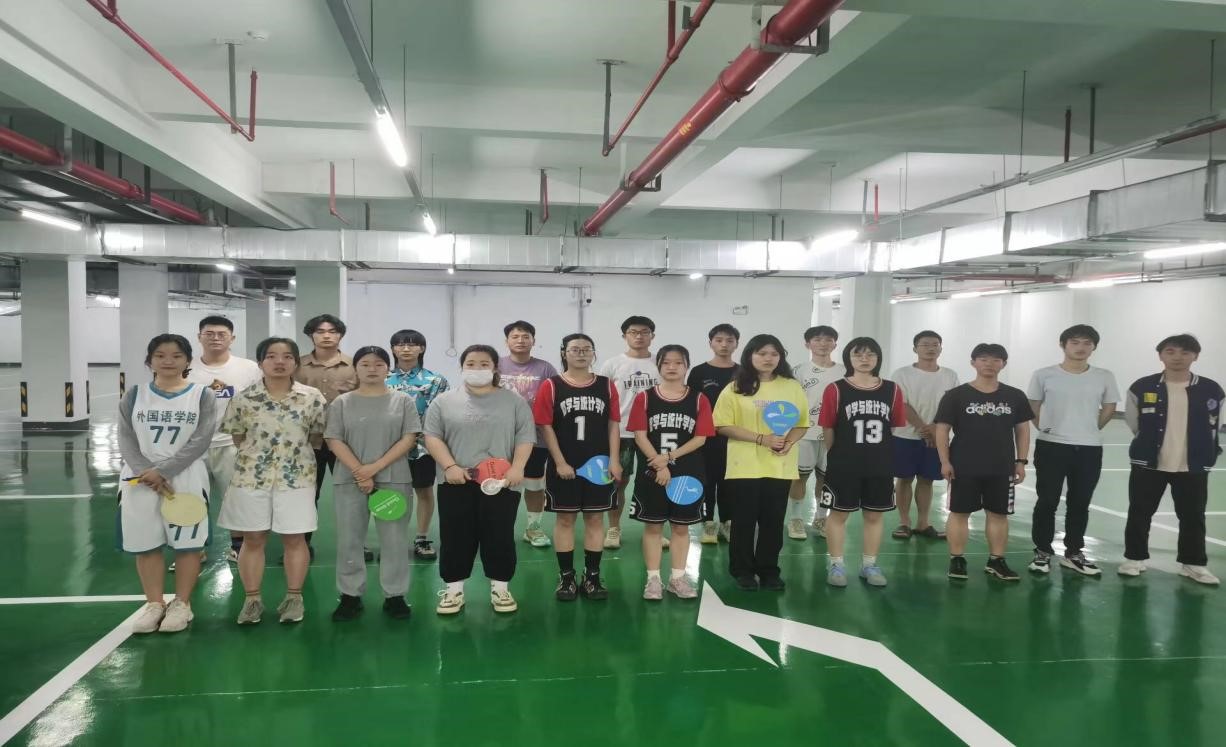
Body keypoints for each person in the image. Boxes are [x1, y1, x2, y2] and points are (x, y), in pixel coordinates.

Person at [220, 337, 328, 624]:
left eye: (287, 356)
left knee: (295, 538)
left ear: (296, 362)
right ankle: (252, 600)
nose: (279, 361)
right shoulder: (243, 398)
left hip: (297, 478)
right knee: (253, 538)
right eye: (271, 356)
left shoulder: (312, 397)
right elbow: (237, 436)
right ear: (260, 362)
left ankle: (294, 599)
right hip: (250, 478)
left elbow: (317, 436)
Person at [424, 345, 536, 615]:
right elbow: (432, 437)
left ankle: (501, 588)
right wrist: (450, 466)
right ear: (462, 367)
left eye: (484, 364)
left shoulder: (514, 401)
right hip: (456, 482)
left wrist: (517, 467)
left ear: (495, 368)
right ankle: (453, 591)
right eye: (471, 363)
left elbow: (525, 436)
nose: (477, 369)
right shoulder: (443, 401)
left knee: (499, 535)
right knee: (455, 536)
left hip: (501, 483)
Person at [118, 334, 215, 633]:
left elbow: (202, 439)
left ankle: (182, 604)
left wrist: (164, 471)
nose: (168, 361)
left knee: (188, 544)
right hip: (140, 478)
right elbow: (125, 437)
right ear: (150, 361)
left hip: (186, 475)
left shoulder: (202, 395)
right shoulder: (134, 395)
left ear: (188, 360)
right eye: (160, 355)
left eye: (176, 355)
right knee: (145, 543)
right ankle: (154, 604)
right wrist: (146, 471)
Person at [326, 346, 421, 621]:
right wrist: (360, 471)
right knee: (349, 538)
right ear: (355, 368)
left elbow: (409, 438)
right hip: (349, 480)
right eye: (365, 364)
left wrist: (373, 469)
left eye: (379, 364)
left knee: (394, 539)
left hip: (393, 478)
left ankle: (395, 595)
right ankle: (350, 595)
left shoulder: (403, 401)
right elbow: (333, 438)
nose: (372, 369)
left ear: (387, 369)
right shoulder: (342, 403)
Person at [1121, 334, 1224, 585]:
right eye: (1170, 351)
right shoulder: (1142, 386)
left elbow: (1215, 425)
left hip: (1193, 465)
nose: (1178, 357)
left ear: (1195, 356)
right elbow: (1133, 422)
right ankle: (1134, 558)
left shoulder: (1211, 389)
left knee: (1193, 515)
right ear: (1160, 355)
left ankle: (1193, 563)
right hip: (1149, 463)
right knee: (1140, 512)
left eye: (1185, 352)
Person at [713, 334, 809, 591]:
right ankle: (742, 570)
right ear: (750, 356)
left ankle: (769, 570)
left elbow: (801, 423)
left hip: (779, 465)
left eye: (774, 354)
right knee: (743, 521)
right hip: (744, 465)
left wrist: (788, 442)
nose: (768, 358)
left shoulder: (791, 386)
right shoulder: (735, 388)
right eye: (762, 353)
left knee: (773, 521)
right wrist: (761, 439)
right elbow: (722, 424)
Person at [1026, 324, 1120, 576]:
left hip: (1089, 449)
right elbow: (1033, 405)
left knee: (1080, 502)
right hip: (1051, 446)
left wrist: (1091, 429)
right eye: (1075, 342)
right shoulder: (1044, 374)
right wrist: (1045, 429)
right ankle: (1042, 551)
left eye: (1087, 343)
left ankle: (1074, 553)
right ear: (1063, 345)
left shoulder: (1104, 376)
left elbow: (1109, 407)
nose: (1081, 348)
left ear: (1094, 347)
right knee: (1047, 501)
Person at [935, 344, 1033, 583]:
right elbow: (942, 429)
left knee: (999, 514)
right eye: (983, 359)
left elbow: (1022, 429)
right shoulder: (956, 395)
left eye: (996, 359)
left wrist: (1021, 461)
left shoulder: (1015, 396)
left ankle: (996, 560)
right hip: (963, 465)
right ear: (973, 363)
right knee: (959, 513)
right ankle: (957, 559)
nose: (989, 364)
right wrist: (945, 461)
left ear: (1004, 364)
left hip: (1001, 466)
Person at [534, 333, 622, 601]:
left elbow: (613, 425)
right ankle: (566, 577)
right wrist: (560, 461)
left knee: (595, 518)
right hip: (565, 464)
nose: (581, 353)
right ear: (564, 353)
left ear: (593, 353)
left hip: (598, 465)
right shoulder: (551, 385)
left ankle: (592, 576)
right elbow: (545, 425)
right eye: (575, 349)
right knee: (565, 519)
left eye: (586, 349)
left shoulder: (606, 386)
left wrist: (614, 460)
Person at [818, 337, 907, 588]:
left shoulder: (892, 389)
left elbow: (894, 427)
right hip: (844, 464)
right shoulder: (836, 389)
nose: (864, 359)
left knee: (874, 515)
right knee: (838, 514)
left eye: (870, 354)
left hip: (879, 464)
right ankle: (836, 564)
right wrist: (838, 454)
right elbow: (828, 428)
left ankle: (869, 564)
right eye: (858, 354)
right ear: (849, 358)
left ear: (878, 358)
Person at [629, 345, 715, 600]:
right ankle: (653, 579)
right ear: (658, 366)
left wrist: (667, 458)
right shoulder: (644, 398)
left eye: (678, 362)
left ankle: (677, 578)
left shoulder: (699, 399)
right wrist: (660, 465)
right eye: (666, 362)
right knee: (653, 527)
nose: (672, 367)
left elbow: (700, 438)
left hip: (687, 471)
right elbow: (640, 436)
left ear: (687, 366)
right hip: (653, 470)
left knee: (680, 528)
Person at [187, 315, 261, 563]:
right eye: (209, 334)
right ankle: (193, 549)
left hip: (232, 444)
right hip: (192, 448)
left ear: (232, 338)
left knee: (235, 497)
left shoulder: (249, 368)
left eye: (221, 334)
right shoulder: (186, 368)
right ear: (199, 337)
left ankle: (238, 547)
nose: (215, 338)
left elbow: (259, 403)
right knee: (193, 499)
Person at [294, 314, 357, 558]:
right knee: (307, 494)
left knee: (351, 495)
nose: (327, 336)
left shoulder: (354, 366)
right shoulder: (296, 366)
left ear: (340, 335)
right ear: (311, 335)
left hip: (345, 442)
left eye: (332, 331)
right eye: (320, 331)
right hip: (306, 442)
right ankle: (301, 544)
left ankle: (355, 544)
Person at [598, 315, 662, 550]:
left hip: (653, 433)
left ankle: (654, 529)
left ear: (652, 336)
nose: (639, 336)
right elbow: (604, 398)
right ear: (624, 336)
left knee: (655, 481)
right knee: (618, 481)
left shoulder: (661, 363)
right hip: (622, 432)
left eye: (644, 332)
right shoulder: (612, 364)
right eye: (633, 332)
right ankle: (614, 528)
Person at [386, 329, 449, 560]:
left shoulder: (436, 380)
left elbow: (437, 415)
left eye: (412, 344)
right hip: (389, 449)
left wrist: (416, 437)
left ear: (421, 349)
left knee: (424, 491)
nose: (406, 349)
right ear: (393, 349)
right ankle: (393, 540)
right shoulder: (383, 379)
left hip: (423, 449)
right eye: (400, 344)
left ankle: (422, 538)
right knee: (392, 494)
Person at [890, 331, 959, 541]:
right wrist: (924, 428)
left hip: (937, 437)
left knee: (927, 480)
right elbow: (901, 404)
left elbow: (952, 405)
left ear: (941, 348)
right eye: (925, 344)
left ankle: (923, 523)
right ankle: (904, 522)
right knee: (904, 479)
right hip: (904, 435)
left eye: (935, 344)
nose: (930, 348)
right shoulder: (902, 374)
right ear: (915, 349)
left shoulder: (950, 375)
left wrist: (936, 428)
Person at [498, 320, 560, 548]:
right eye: (515, 336)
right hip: (500, 437)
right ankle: (499, 528)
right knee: (500, 482)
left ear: (534, 341)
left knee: (534, 485)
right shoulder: (496, 365)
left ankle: (533, 528)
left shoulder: (545, 369)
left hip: (536, 437)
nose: (521, 340)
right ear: (506, 341)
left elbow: (554, 401)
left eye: (526, 336)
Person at [789, 325, 843, 540]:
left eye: (828, 339)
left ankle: (821, 518)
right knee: (799, 477)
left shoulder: (844, 371)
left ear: (835, 344)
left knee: (827, 478)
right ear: (807, 344)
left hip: (834, 435)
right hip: (804, 433)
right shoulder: (798, 371)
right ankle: (795, 519)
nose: (823, 343)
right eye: (817, 339)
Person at [688, 323, 739, 545]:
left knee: (730, 482)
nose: (724, 344)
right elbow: (692, 404)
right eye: (719, 340)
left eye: (729, 340)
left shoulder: (743, 372)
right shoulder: (699, 372)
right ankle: (708, 522)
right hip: (706, 437)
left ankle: (727, 522)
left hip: (735, 437)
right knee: (707, 481)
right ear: (710, 343)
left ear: (736, 344)